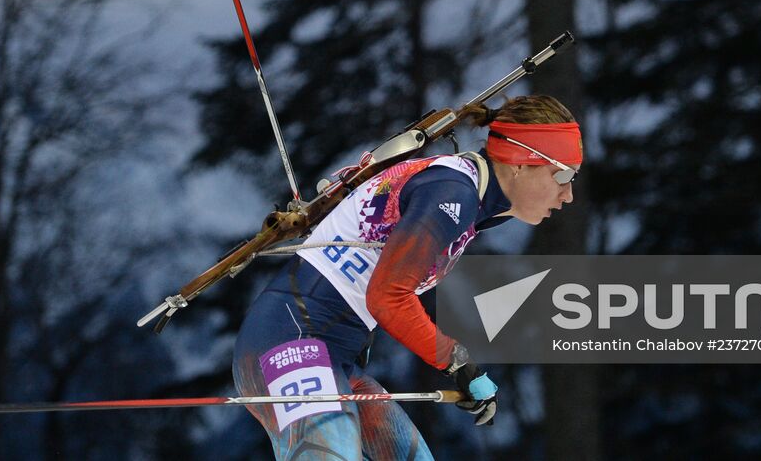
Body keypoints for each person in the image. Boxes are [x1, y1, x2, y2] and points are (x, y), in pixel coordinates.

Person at [233, 94, 582, 460]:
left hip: (334, 355)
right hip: (290, 341)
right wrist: (457, 361)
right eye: (562, 174)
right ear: (520, 162)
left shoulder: (469, 193)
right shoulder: (452, 193)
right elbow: (388, 297)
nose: (569, 194)